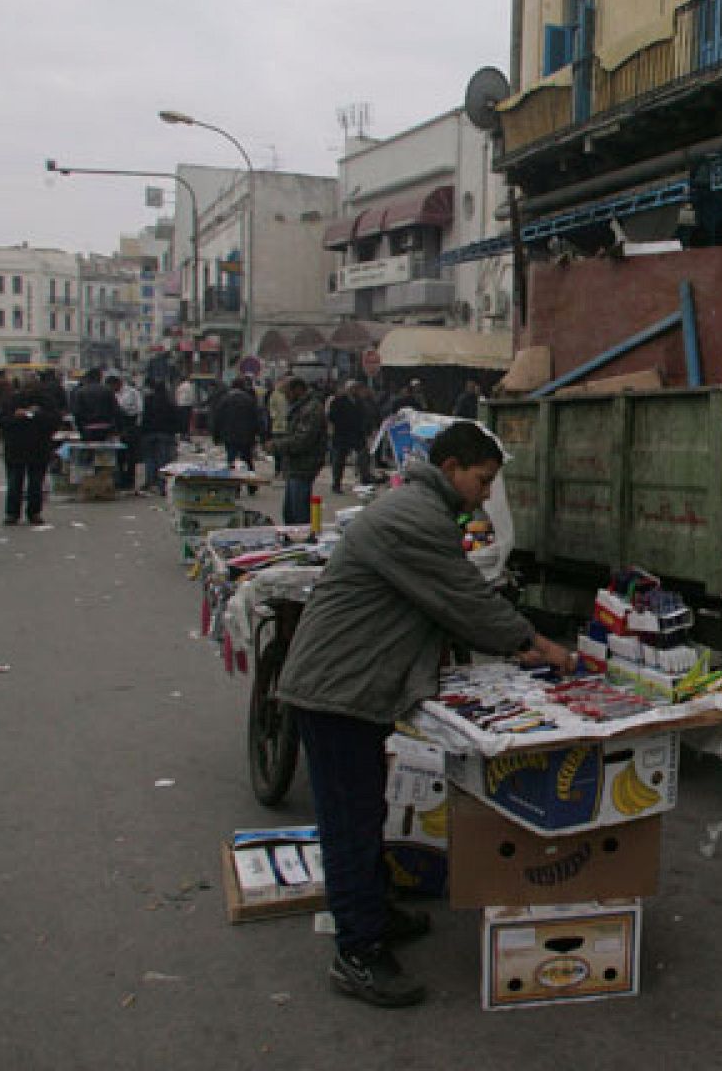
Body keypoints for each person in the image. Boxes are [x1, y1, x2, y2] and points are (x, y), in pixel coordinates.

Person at [277, 422, 574, 1007]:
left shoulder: (419, 507)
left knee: (366, 809)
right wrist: (537, 645)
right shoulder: (415, 517)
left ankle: (373, 911)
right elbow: (463, 600)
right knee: (350, 820)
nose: (486, 495)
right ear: (452, 468)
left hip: (357, 685)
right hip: (337, 690)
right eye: (482, 481)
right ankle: (357, 953)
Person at [0, 375, 60, 526]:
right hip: (17, 447)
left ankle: (33, 512)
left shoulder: (46, 402)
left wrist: (38, 414)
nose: (30, 391)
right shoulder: (12, 401)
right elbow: (1, 421)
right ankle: (14, 513)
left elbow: (55, 421)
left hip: (38, 447)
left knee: (35, 483)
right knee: (15, 482)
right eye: (28, 387)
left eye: (33, 388)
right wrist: (16, 416)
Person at [268, 378, 327, 525]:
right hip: (295, 465)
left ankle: (303, 541)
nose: (286, 396)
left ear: (298, 390)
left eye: (287, 392)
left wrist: (277, 446)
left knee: (298, 513)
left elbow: (302, 440)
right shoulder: (301, 407)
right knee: (290, 512)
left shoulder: (311, 409)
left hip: (304, 466)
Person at [211, 376, 264, 476]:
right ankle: (251, 483)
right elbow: (256, 417)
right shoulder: (249, 399)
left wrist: (216, 435)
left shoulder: (225, 400)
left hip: (229, 435)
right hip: (247, 436)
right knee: (247, 459)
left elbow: (217, 418)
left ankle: (234, 485)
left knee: (231, 460)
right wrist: (259, 434)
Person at [327, 380, 372, 494]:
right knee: (339, 460)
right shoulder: (338, 401)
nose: (354, 390)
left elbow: (365, 415)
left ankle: (365, 480)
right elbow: (331, 416)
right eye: (352, 388)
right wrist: (341, 424)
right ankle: (336, 484)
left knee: (363, 456)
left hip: (357, 434)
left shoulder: (360, 401)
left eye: (356, 388)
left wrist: (366, 428)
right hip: (342, 434)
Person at [138, 378, 180, 495]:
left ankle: (150, 483)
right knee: (163, 461)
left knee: (150, 459)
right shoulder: (170, 402)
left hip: (149, 433)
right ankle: (162, 486)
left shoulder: (148, 400)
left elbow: (143, 417)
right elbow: (176, 418)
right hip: (165, 434)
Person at [108, 375, 143, 492]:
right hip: (118, 427)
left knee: (131, 456)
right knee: (119, 456)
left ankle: (129, 480)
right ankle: (120, 480)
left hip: (131, 426)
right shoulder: (112, 394)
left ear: (118, 384)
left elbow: (139, 409)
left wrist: (123, 411)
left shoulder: (132, 392)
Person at [70, 368, 122, 445]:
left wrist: (81, 429)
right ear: (100, 378)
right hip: (106, 429)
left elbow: (77, 413)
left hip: (87, 429)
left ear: (88, 378)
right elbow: (116, 410)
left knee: (88, 452)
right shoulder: (108, 391)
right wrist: (115, 428)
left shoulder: (80, 392)